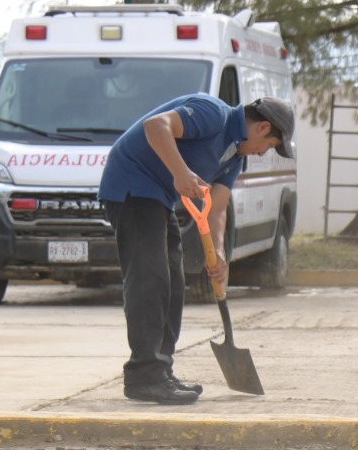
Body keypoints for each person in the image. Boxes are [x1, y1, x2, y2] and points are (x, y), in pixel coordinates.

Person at [98, 94, 296, 404]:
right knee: (150, 280)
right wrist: (180, 172)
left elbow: (216, 208)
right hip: (131, 186)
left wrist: (218, 253)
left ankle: (160, 371)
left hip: (157, 198)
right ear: (262, 127)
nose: (263, 152)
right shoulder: (213, 114)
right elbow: (156, 126)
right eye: (269, 145)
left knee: (174, 283)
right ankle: (144, 376)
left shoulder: (234, 157)